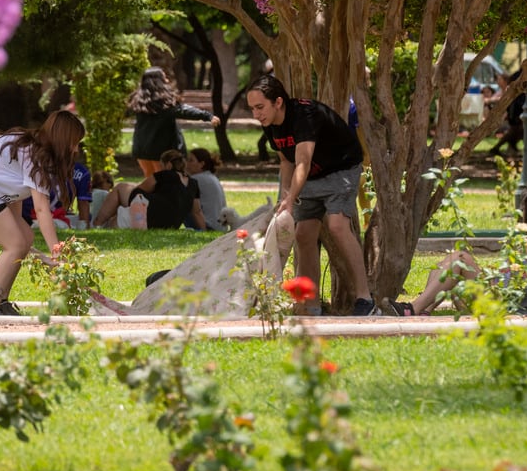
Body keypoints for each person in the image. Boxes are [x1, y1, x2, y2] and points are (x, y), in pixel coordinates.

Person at [245, 75, 379, 317]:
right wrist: (284, 197)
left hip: (341, 170)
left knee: (337, 225)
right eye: (252, 109)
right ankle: (310, 304)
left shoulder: (303, 116)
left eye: (259, 107)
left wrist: (290, 198)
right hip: (310, 178)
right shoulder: (271, 125)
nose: (256, 114)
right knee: (303, 234)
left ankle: (365, 299)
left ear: (278, 102)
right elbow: (286, 161)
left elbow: (303, 164)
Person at [0, 110, 86, 315]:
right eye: (74, 142)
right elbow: (41, 209)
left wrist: (19, 229)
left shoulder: (32, 145)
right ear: (63, 138)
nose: (75, 149)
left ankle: (1, 301)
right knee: (16, 244)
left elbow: (12, 189)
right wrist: (57, 254)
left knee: (25, 238)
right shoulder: (36, 155)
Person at [398, 188, 527, 316]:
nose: (522, 213)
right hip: (501, 299)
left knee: (460, 258)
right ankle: (423, 312)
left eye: (525, 209)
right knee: (444, 266)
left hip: (509, 306)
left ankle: (413, 308)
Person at [129, 67, 220, 178]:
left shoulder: (138, 101)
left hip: (142, 149)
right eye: (164, 77)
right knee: (164, 180)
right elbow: (184, 110)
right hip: (162, 151)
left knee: (150, 179)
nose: (167, 80)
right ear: (158, 81)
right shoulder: (164, 102)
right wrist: (207, 116)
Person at [92, 149, 208, 230]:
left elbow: (140, 190)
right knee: (118, 217)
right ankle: (104, 222)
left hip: (151, 215)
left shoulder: (164, 174)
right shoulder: (193, 184)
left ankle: (97, 223)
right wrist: (204, 231)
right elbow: (197, 212)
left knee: (120, 187)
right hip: (171, 224)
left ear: (167, 165)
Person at [20, 160, 91, 230]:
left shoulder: (81, 172)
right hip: (28, 214)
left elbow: (83, 202)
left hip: (50, 216)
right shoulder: (32, 163)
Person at [186, 148, 227, 231]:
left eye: (191, 160)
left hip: (209, 226)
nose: (187, 164)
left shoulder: (196, 179)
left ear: (201, 164)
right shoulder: (211, 177)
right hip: (220, 227)